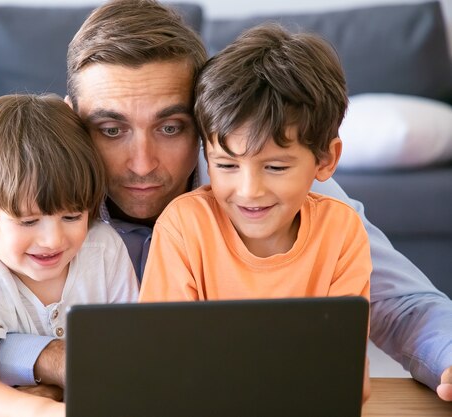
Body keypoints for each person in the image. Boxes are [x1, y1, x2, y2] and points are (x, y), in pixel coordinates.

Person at [0, 0, 452, 402]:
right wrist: (50, 358)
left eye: (170, 127)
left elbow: (403, 305)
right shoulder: (25, 205)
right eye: (110, 129)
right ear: (71, 122)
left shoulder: (264, 185)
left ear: (205, 121)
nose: (142, 164)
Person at [138, 23, 371, 401]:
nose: (249, 191)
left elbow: (347, 379)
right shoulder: (185, 226)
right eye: (227, 165)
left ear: (325, 160)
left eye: (276, 167)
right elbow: (164, 364)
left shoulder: (341, 231)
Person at [0, 93, 138, 416]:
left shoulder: (103, 251)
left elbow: (131, 350)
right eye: (28, 221)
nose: (52, 239)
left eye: (72, 216)